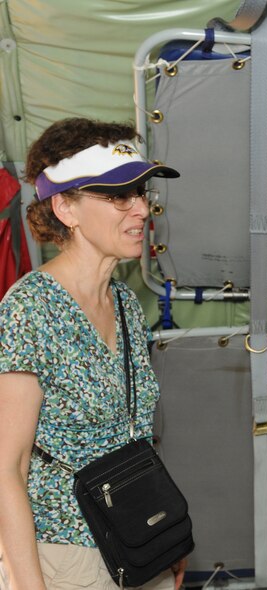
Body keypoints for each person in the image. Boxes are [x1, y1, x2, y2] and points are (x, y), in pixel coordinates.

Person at [0, 118, 187, 589]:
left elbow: (132, 436)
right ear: (66, 207)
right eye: (120, 196)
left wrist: (162, 534)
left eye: (142, 192)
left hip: (137, 543)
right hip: (66, 559)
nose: (142, 209)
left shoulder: (125, 302)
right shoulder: (30, 308)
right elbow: (6, 469)